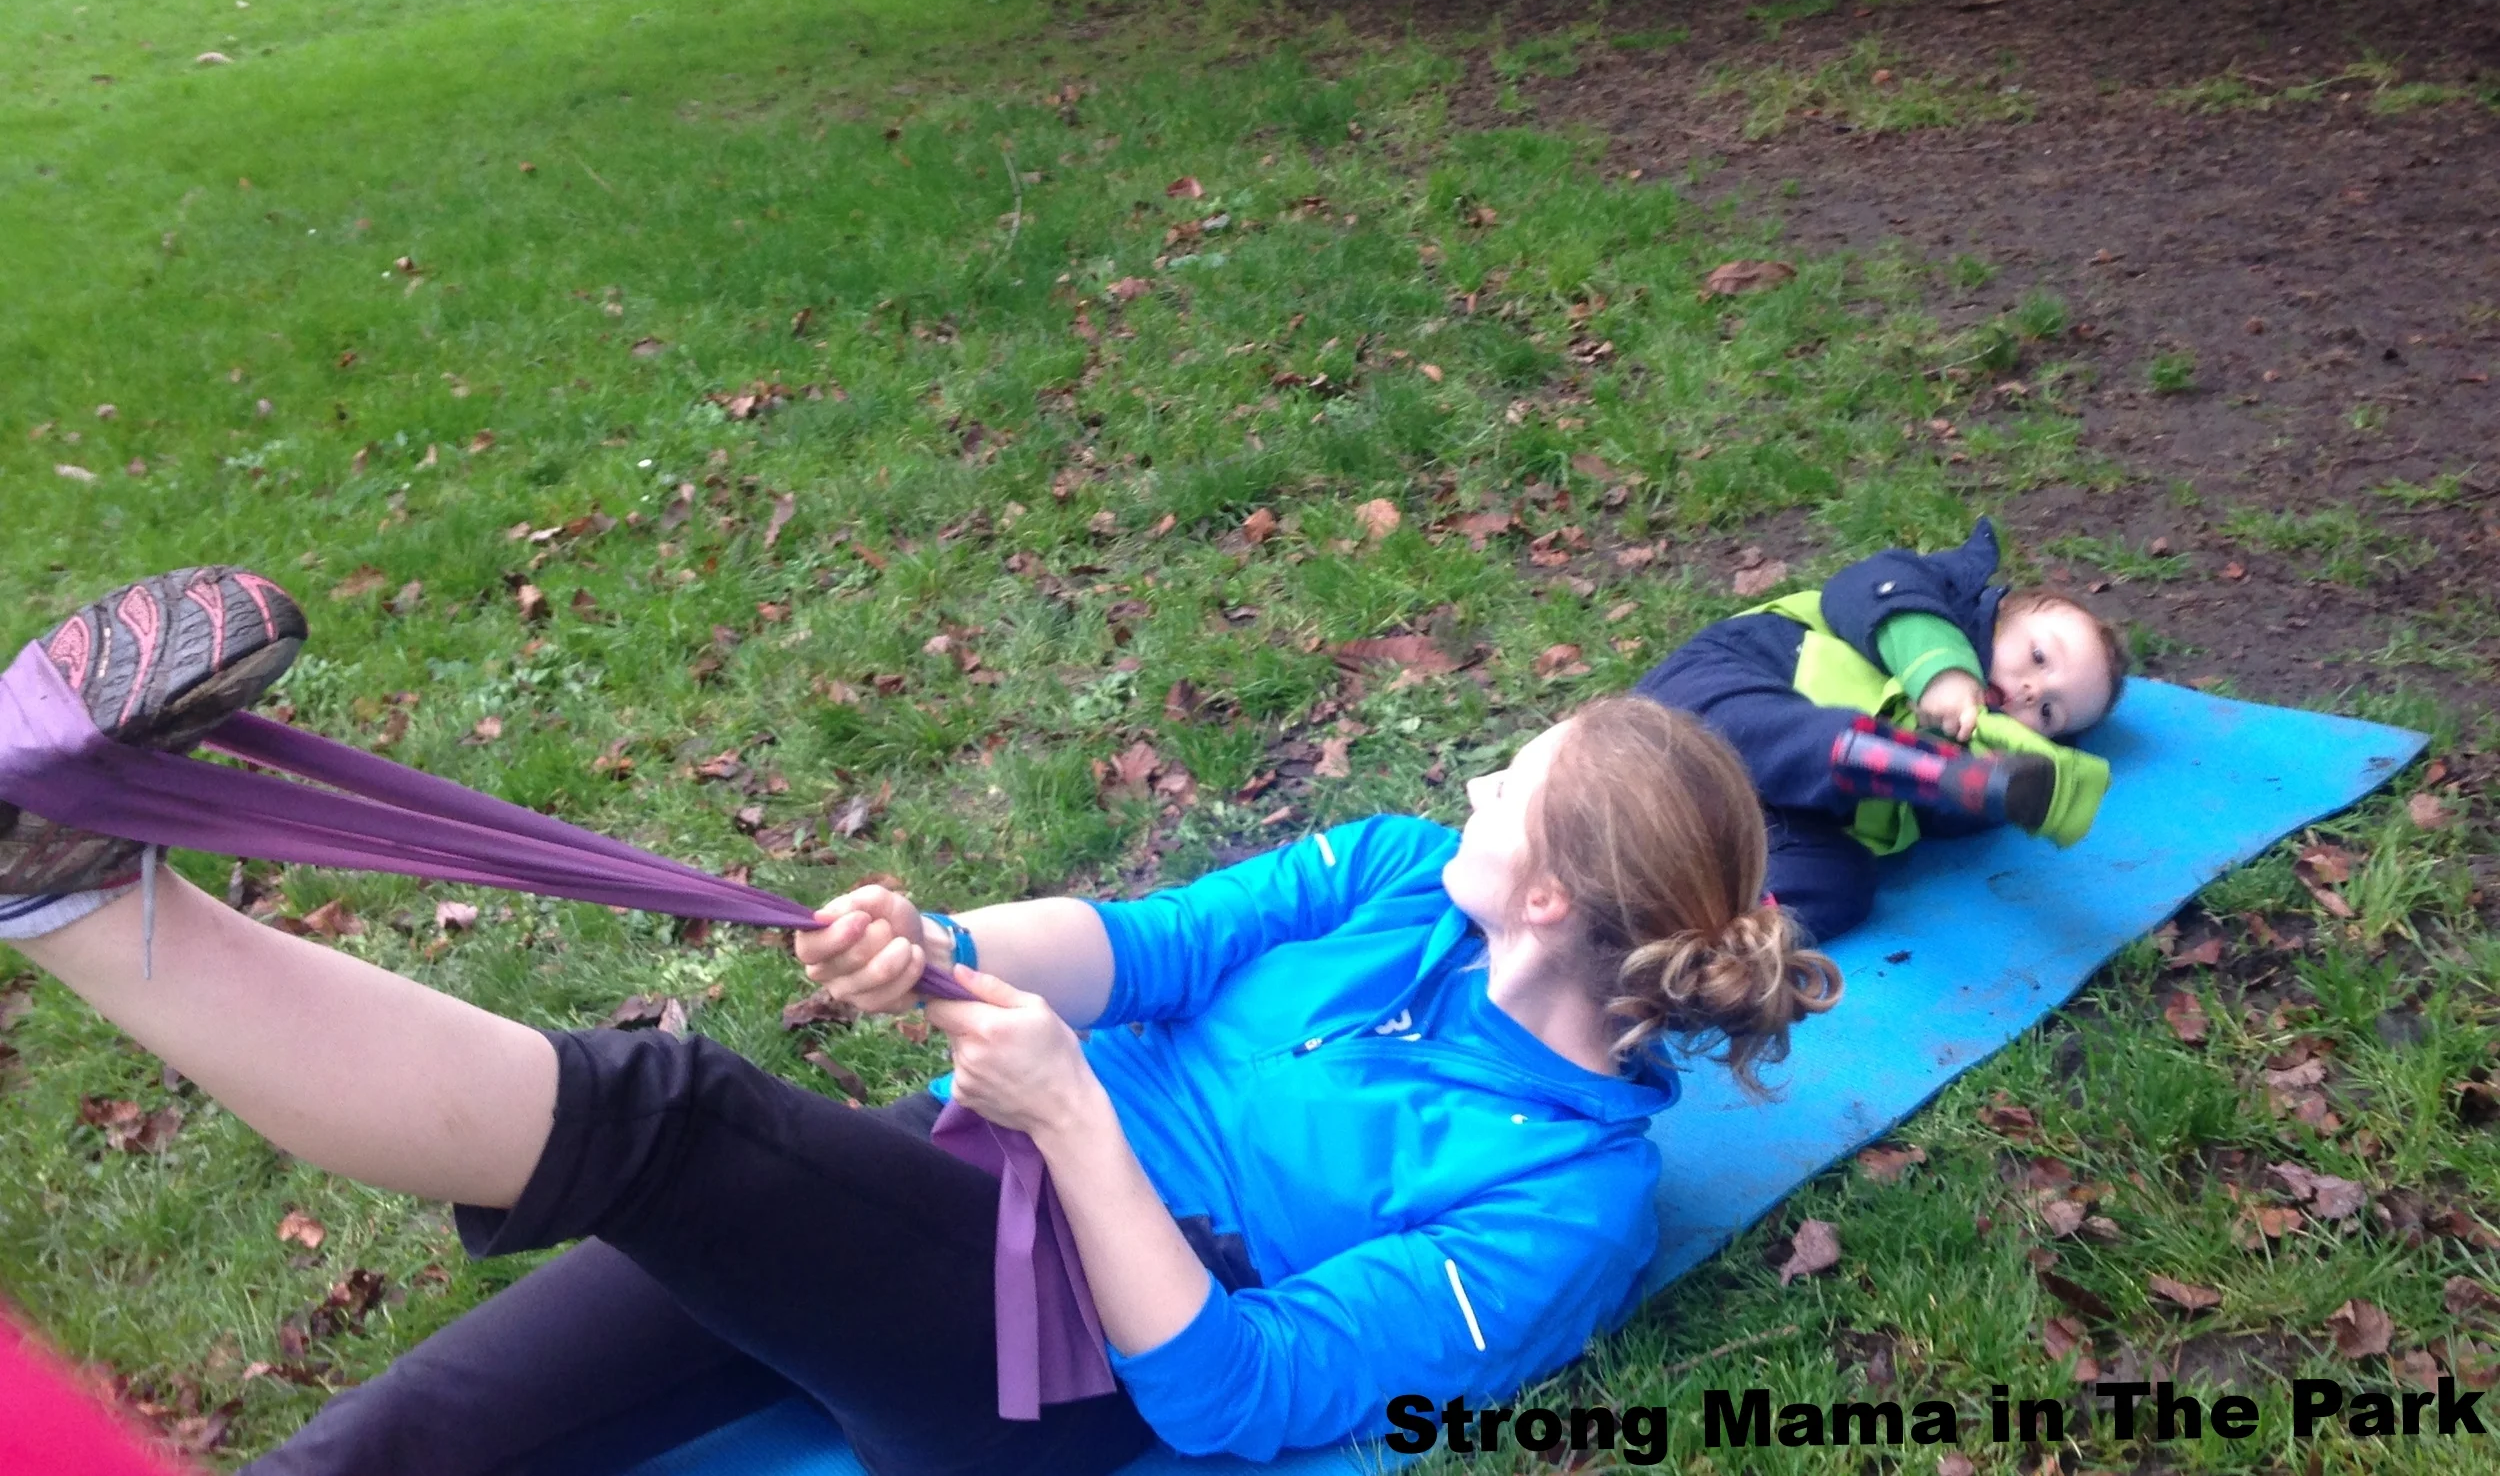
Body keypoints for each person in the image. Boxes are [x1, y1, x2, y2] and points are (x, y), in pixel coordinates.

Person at [0, 568, 1841, 1476]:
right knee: (410, 1440)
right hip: (955, 1187)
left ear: (1546, 903)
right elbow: (1144, 946)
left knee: (666, 1120)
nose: (1473, 777)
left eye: (1506, 784)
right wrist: (945, 941)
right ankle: (73, 872)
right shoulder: (1387, 877)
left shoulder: (1569, 1201)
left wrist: (1075, 1123)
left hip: (1073, 1365)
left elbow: (1233, 1395)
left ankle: (68, 888)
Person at [1635, 518, 2129, 945]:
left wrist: (2005, 786)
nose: (2027, 690)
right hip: (1700, 712)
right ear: (1999, 615)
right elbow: (1869, 585)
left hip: (1756, 814)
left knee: (1841, 884)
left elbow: (1936, 825)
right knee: (1804, 740)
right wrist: (1941, 670)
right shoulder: (1936, 597)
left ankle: (1695, 940)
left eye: (2048, 713)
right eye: (2038, 658)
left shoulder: (1991, 753)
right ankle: (1917, 766)